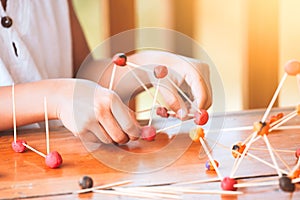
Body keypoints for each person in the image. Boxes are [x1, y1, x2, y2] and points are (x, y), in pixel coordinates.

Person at [0, 0, 212, 145]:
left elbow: (80, 75)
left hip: (65, 173)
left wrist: (148, 65)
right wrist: (57, 95)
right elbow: (68, 91)